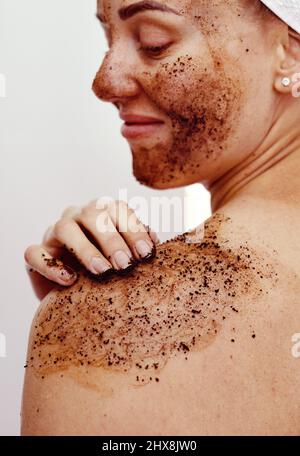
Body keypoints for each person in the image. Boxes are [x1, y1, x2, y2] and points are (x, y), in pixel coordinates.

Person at [21, 0, 300, 435]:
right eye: (106, 39)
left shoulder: (117, 324)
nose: (104, 83)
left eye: (154, 43)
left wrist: (86, 312)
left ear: (291, 51)